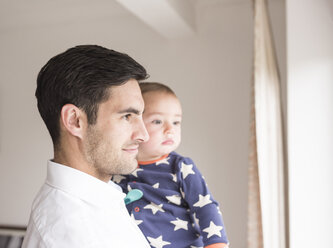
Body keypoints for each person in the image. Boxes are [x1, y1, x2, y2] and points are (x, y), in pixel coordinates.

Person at [22, 45, 151, 248]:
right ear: (75, 121)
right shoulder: (75, 233)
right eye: (127, 116)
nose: (144, 135)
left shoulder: (99, 200)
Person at [113, 82, 230, 248]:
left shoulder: (180, 167)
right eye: (157, 121)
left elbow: (205, 206)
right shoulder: (119, 166)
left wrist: (216, 243)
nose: (170, 130)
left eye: (176, 122)